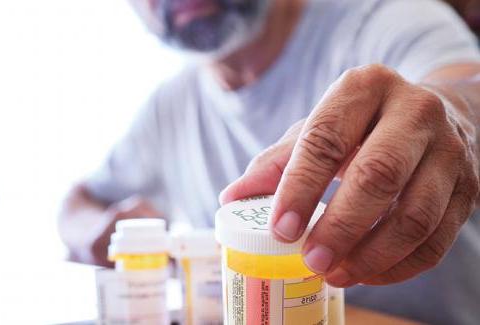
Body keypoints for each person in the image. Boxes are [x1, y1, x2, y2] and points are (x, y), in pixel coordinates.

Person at [58, 0, 480, 323]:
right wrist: (101, 232)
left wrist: (455, 114)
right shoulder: (171, 105)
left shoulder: (385, 20)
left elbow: (465, 90)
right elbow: (76, 203)